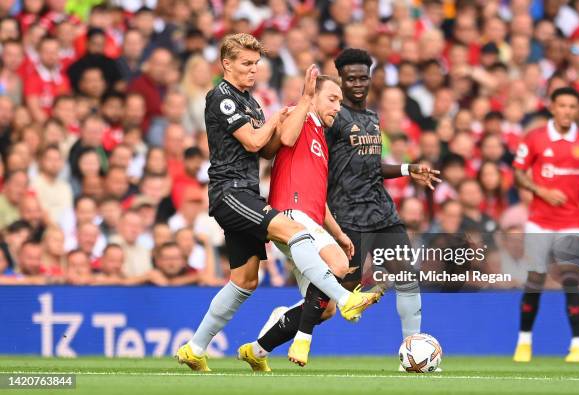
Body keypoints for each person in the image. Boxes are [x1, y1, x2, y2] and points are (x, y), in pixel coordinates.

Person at [175, 34, 381, 373]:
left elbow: (270, 150)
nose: (253, 70)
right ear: (227, 64)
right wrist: (279, 117)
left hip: (249, 194)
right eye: (246, 63)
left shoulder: (251, 103)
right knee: (293, 230)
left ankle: (195, 349)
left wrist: (277, 121)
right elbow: (255, 141)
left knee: (245, 281)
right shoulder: (222, 97)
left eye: (256, 64)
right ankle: (345, 298)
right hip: (230, 192)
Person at [256, 48, 441, 372]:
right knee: (332, 300)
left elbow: (368, 166)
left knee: (408, 278)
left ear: (370, 79)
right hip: (346, 215)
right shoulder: (331, 116)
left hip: (381, 212)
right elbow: (303, 146)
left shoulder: (371, 118)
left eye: (363, 77)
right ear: (341, 81)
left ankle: (412, 356)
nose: (357, 83)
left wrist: (406, 169)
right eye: (351, 78)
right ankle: (277, 330)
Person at [237, 70, 355, 370]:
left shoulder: (321, 140)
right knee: (338, 265)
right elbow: (286, 138)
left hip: (308, 217)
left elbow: (319, 198)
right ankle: (303, 338)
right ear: (313, 96)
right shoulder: (299, 116)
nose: (337, 107)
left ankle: (257, 350)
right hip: (290, 214)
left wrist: (338, 232)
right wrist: (304, 99)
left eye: (340, 102)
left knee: (323, 309)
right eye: (331, 98)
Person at [512, 87, 579, 364]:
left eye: (572, 106)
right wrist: (541, 190)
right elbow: (518, 172)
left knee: (571, 280)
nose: (566, 111)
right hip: (539, 222)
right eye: (562, 105)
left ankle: (578, 345)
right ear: (552, 107)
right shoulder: (536, 138)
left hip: (570, 221)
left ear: (577, 110)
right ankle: (524, 342)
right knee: (535, 280)